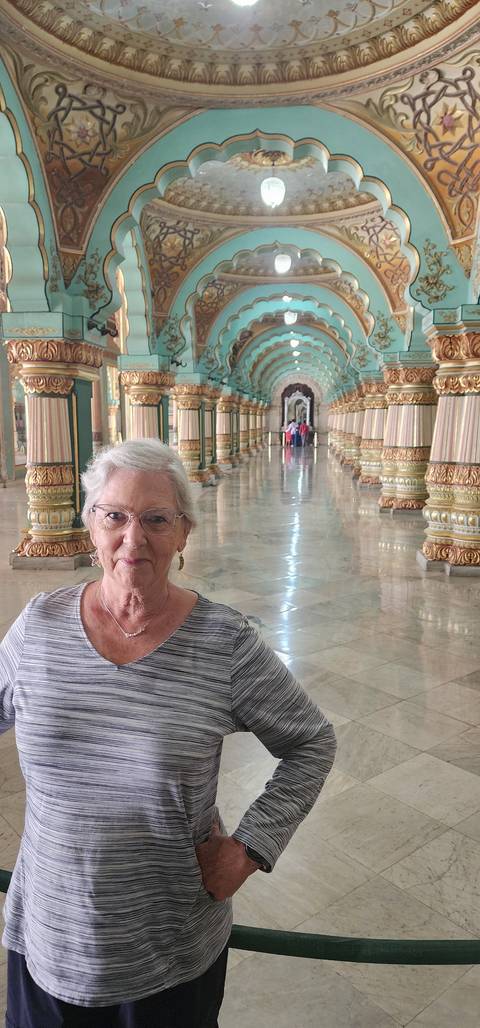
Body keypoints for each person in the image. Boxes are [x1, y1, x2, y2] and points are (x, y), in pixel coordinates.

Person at [0, 439, 336, 1028]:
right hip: (49, 939)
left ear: (184, 533)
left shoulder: (223, 643)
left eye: (156, 519)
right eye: (115, 516)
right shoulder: (38, 627)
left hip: (170, 952)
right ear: (90, 526)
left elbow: (310, 741)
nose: (134, 538)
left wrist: (250, 848)